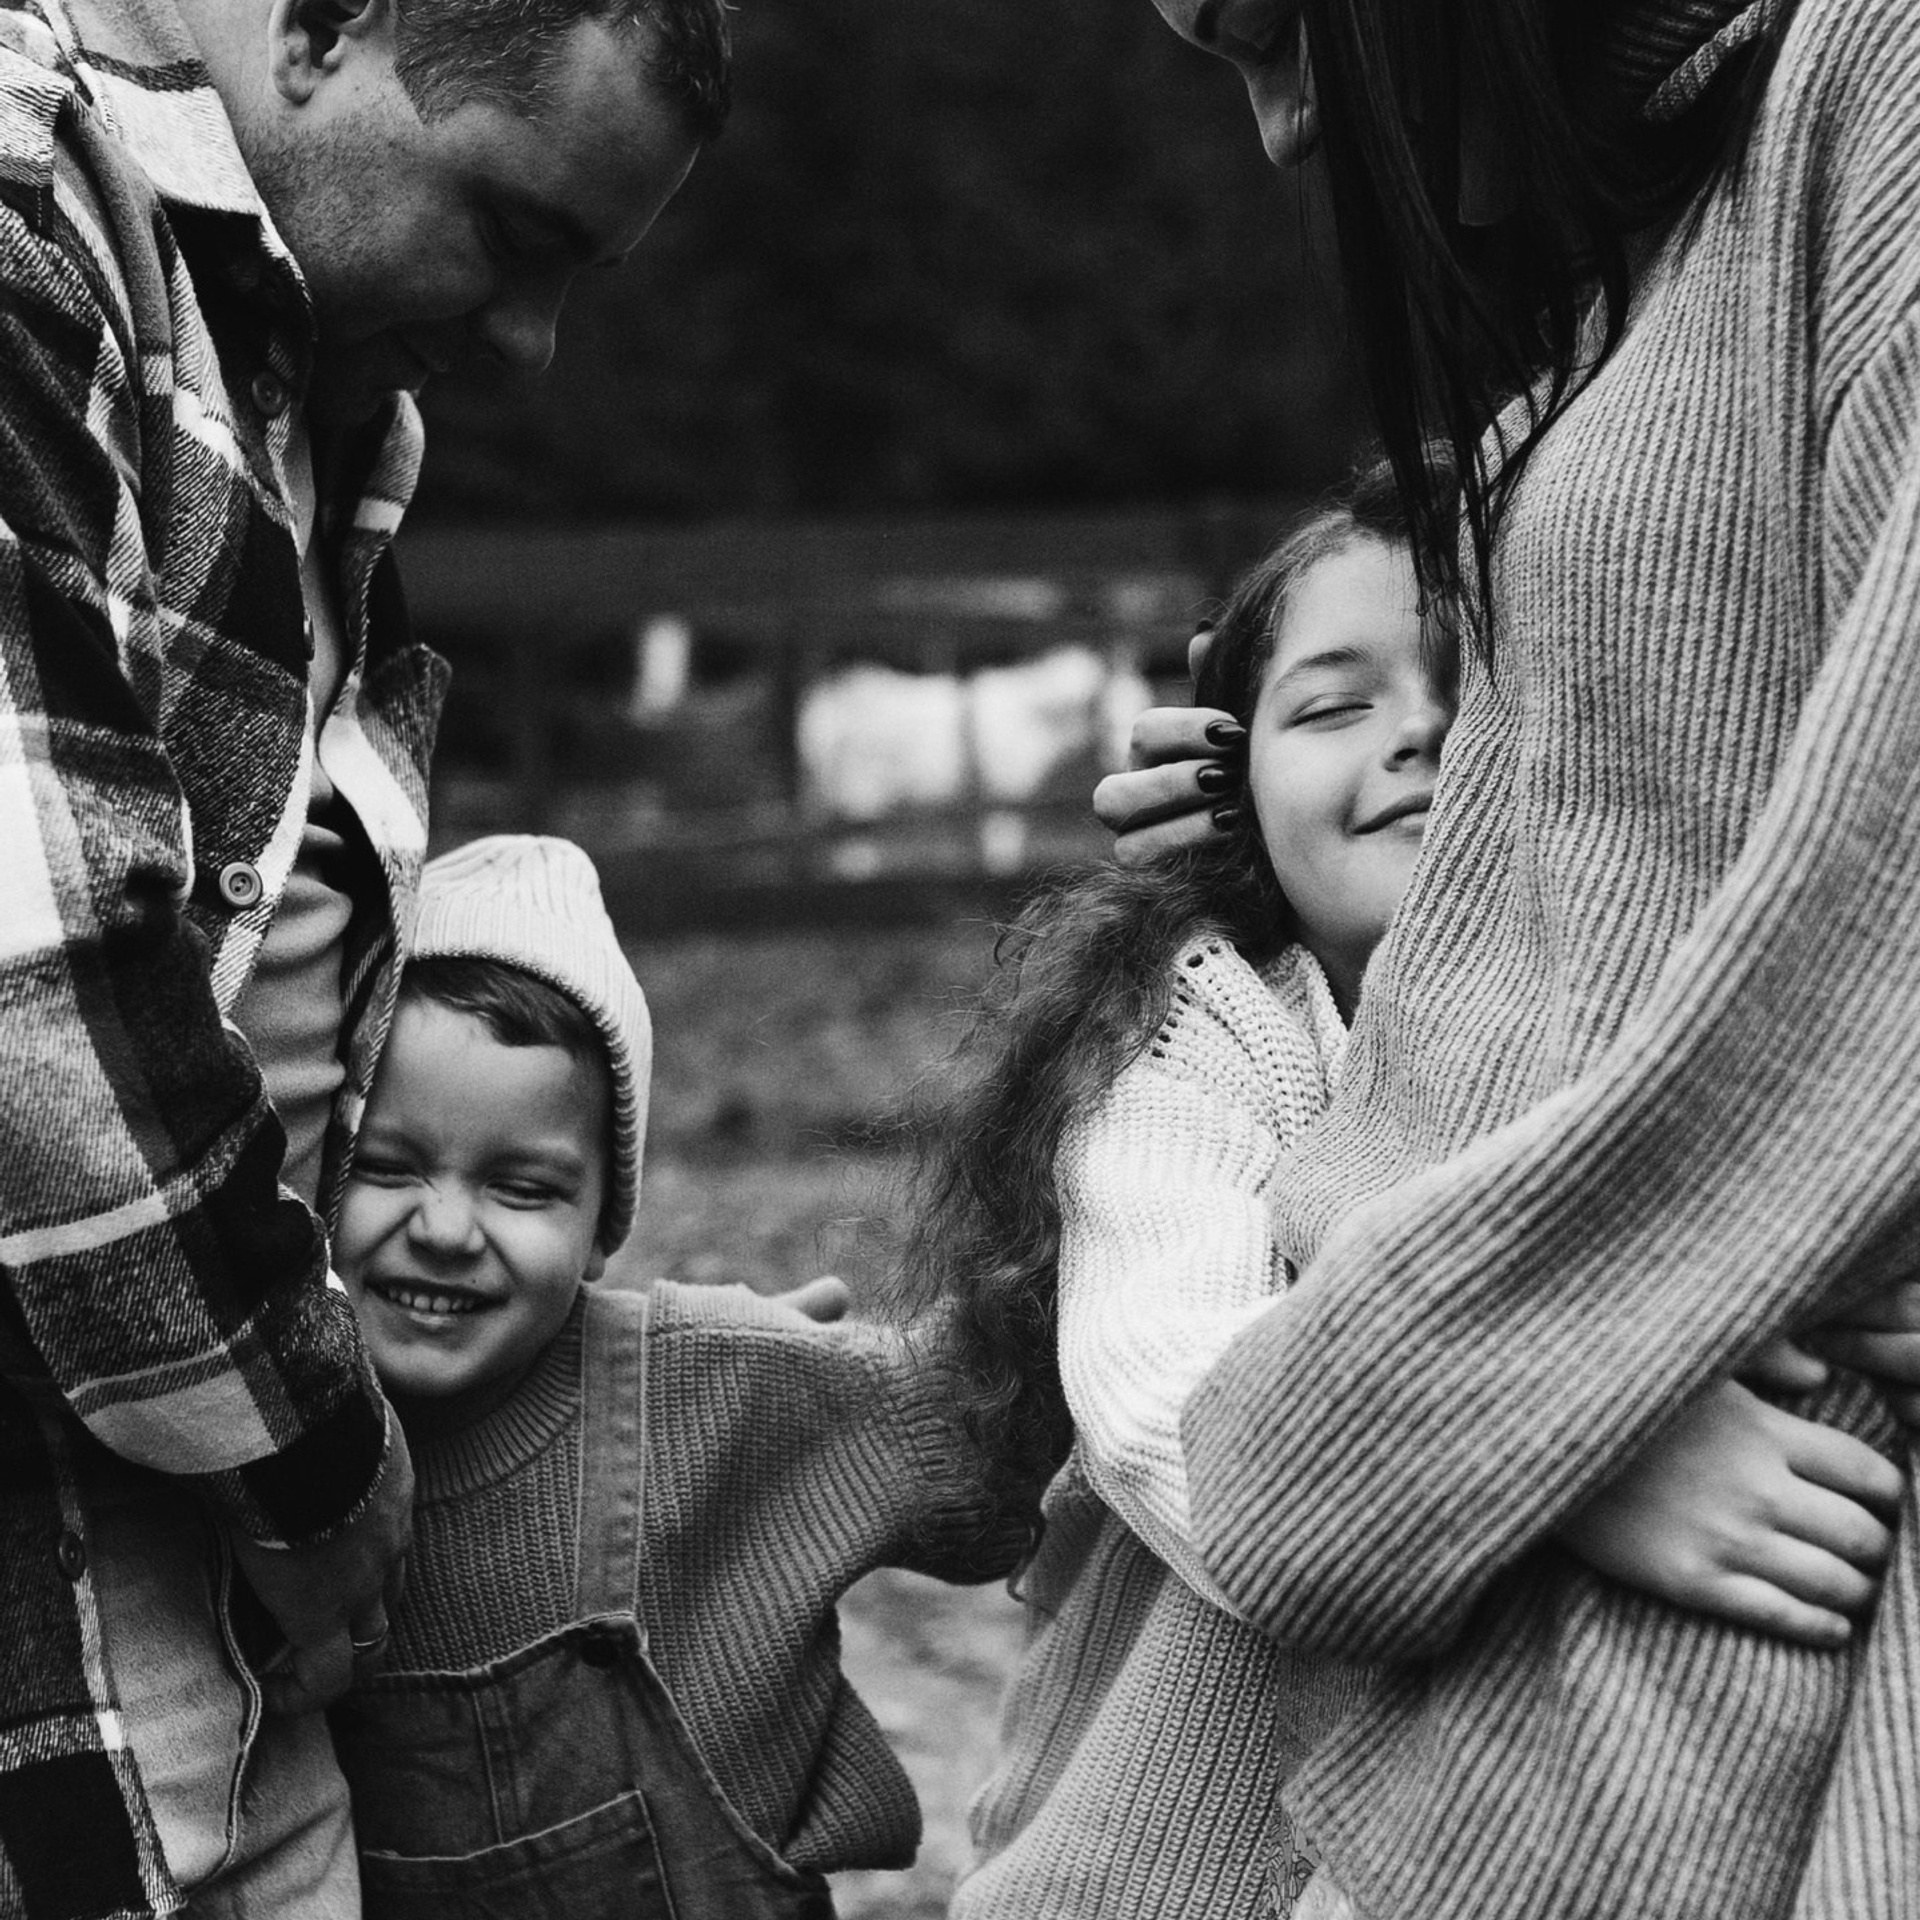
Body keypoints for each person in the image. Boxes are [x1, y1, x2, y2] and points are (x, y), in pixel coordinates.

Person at [1095, 0, 1920, 1913]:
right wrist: (1520, 1402)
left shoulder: (1870, 89)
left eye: (1272, 31)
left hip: (1773, 1616)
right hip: (1520, 1654)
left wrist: (1487, 1385)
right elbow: (1523, 947)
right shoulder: (1609, 301)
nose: (1286, 133)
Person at [904, 463, 1900, 1919]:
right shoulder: (1207, 1039)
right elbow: (1163, 1394)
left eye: (1478, 681)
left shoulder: (1663, 1026)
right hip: (1179, 1850)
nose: (1421, 730)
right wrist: (1546, 1461)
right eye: (1330, 706)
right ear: (1227, 792)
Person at [0, 0, 722, 1911]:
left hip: (204, 1645)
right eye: (516, 231)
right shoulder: (18, 228)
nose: (533, 343)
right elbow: (34, 974)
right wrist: (315, 1468)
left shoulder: (299, 375)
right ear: (321, 26)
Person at [323, 834, 1025, 1918]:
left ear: (605, 1225)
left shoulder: (707, 1388)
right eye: (384, 1165)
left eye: (523, 1188)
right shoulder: (252, 1441)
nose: (447, 1229)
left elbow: (994, 1449)